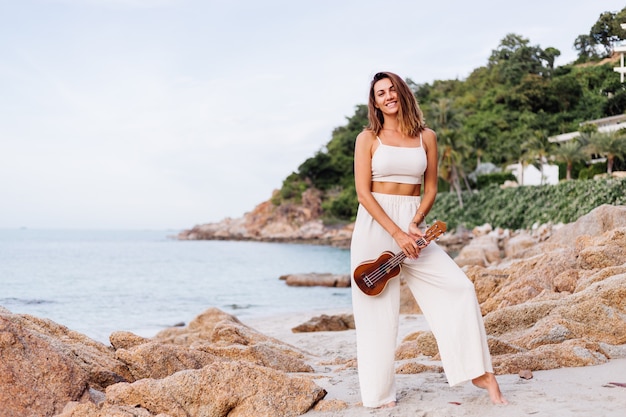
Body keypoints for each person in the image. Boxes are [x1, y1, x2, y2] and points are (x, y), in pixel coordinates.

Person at [350, 71, 507, 408]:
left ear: (402, 93)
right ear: (374, 102)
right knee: (375, 312)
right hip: (376, 223)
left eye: (392, 89)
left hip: (412, 222)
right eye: (380, 93)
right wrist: (396, 232)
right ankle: (379, 396)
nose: (388, 96)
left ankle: (480, 373)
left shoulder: (427, 137)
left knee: (459, 287)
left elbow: (431, 188)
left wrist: (415, 223)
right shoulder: (368, 138)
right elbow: (363, 193)